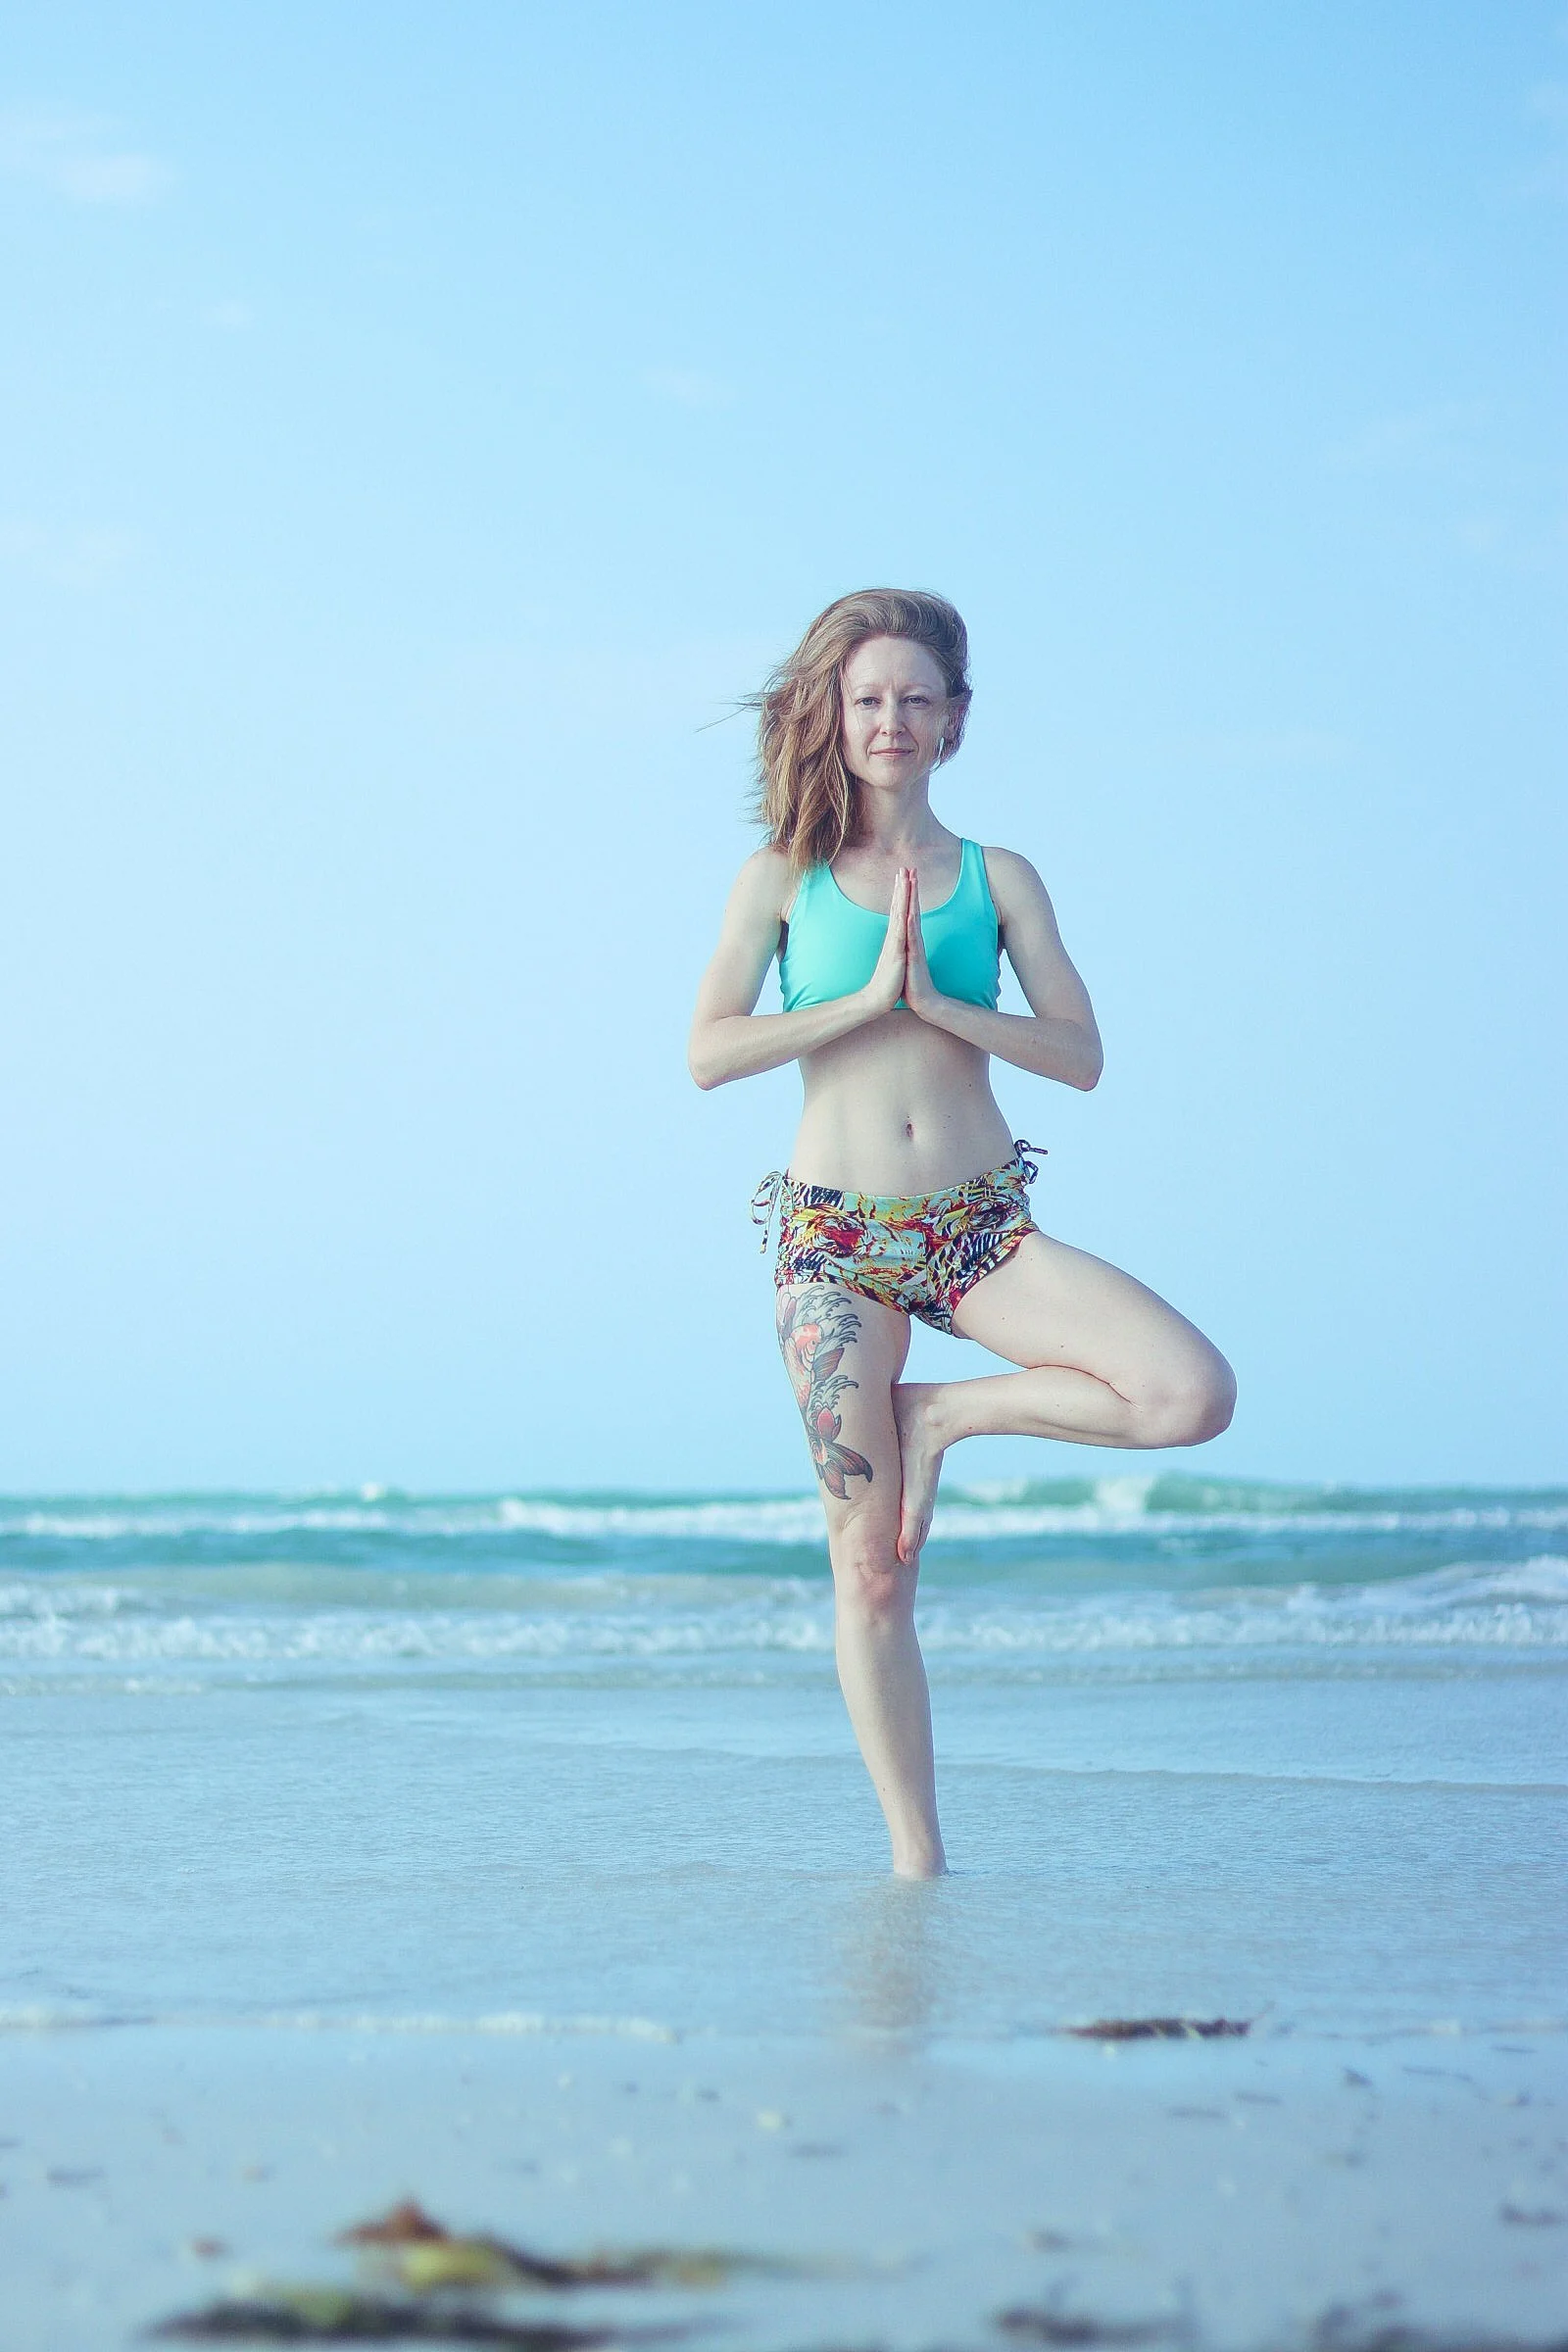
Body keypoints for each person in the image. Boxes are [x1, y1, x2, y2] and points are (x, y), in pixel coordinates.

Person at [688, 589, 1235, 1878]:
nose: (891, 719)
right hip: (834, 1245)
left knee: (1189, 1394)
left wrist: (940, 1002)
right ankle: (917, 1862)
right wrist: (858, 1002)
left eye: (915, 698)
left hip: (979, 1229)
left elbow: (1081, 1055)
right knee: (870, 1566)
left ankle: (947, 1415)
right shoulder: (780, 878)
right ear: (836, 714)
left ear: (955, 722)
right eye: (868, 697)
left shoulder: (999, 878)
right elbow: (709, 1054)